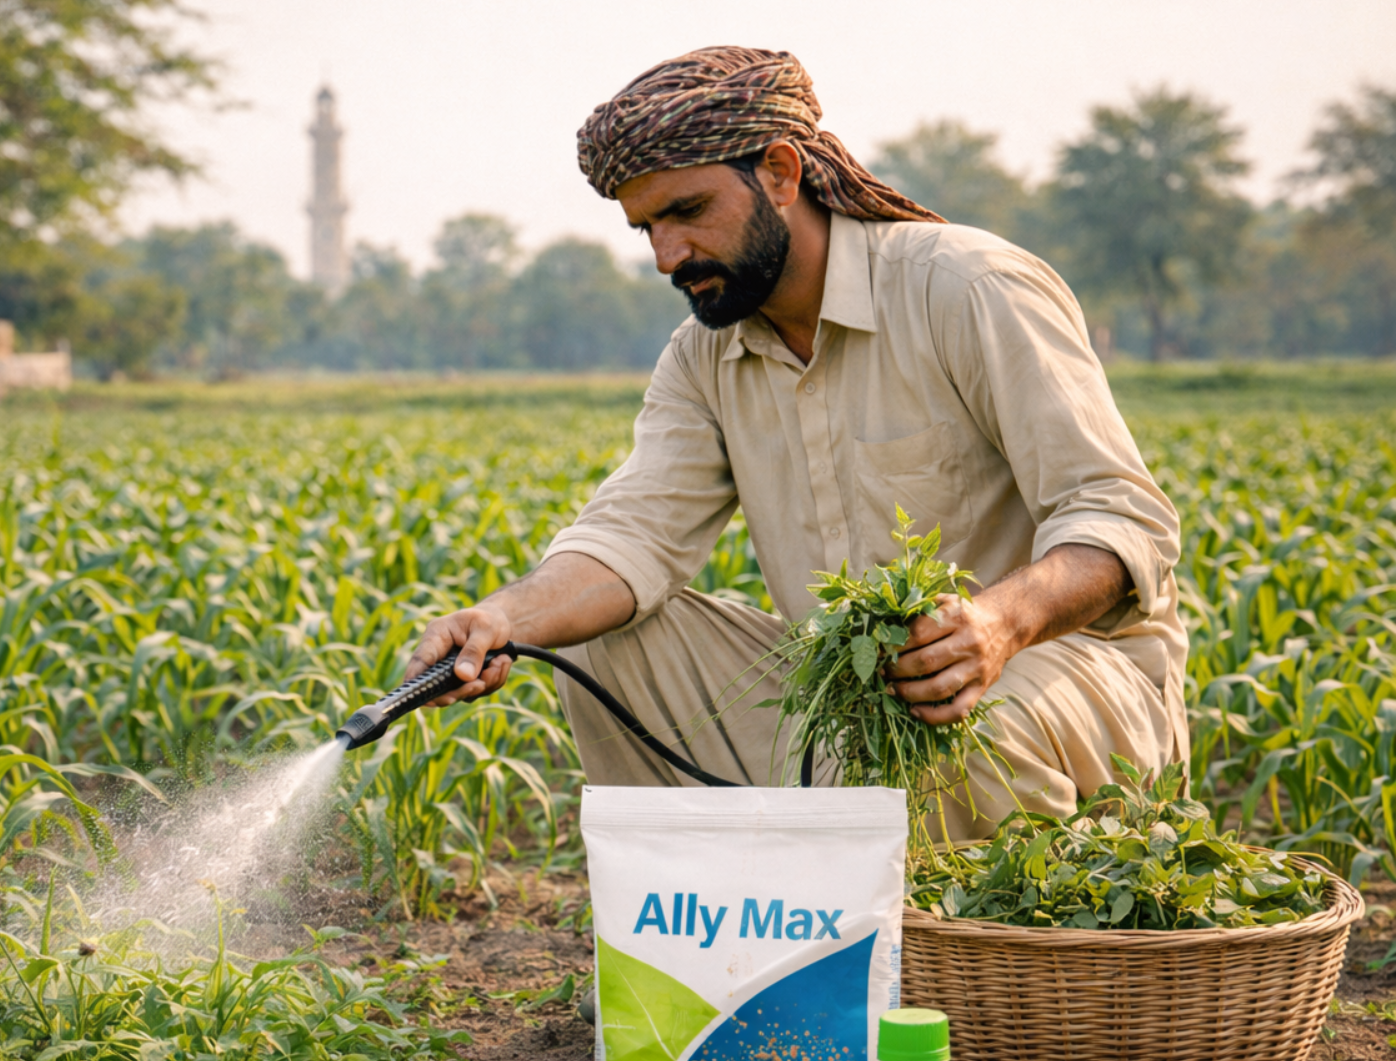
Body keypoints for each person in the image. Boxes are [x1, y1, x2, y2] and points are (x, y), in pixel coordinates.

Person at [405, 46, 1186, 840]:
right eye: (647, 227)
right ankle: (714, 942)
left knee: (935, 724)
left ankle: (948, 952)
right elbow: (633, 533)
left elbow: (1120, 517)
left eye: (686, 211)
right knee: (608, 646)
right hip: (851, 691)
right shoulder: (703, 355)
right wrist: (502, 617)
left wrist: (997, 624)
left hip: (1060, 674)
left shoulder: (967, 288)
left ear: (780, 173)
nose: (666, 257)